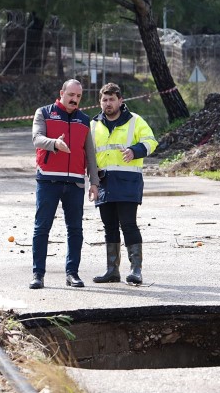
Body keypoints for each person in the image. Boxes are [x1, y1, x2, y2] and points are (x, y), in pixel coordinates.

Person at [29, 79, 99, 289]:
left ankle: (72, 274)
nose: (74, 99)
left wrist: (94, 182)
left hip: (75, 183)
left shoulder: (84, 120)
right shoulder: (44, 113)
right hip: (48, 180)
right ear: (61, 93)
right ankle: (38, 274)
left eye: (78, 96)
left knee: (75, 229)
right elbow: (37, 138)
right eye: (71, 95)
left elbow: (90, 154)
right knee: (42, 228)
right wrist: (55, 144)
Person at [91, 83, 158, 285]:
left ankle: (136, 270)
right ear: (100, 102)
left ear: (120, 101)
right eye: (104, 100)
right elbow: (89, 155)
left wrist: (134, 151)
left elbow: (151, 142)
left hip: (128, 181)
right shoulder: (94, 124)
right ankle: (112, 270)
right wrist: (92, 181)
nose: (108, 103)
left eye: (112, 99)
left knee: (128, 225)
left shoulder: (135, 120)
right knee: (109, 227)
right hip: (104, 183)